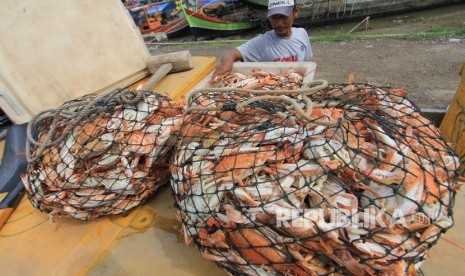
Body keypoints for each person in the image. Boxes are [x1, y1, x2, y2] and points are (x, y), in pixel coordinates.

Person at [211, 0, 313, 80]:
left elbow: (306, 64)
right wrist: (226, 64)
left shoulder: (302, 34)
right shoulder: (263, 42)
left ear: (295, 12)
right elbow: (230, 54)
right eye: (274, 18)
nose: (279, 23)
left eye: (283, 17)